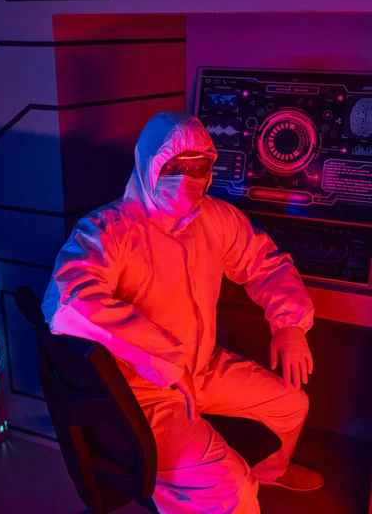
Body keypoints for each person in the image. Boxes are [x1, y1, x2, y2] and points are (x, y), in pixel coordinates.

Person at [43, 112, 324, 514]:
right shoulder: (109, 230)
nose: (187, 178)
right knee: (230, 488)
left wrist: (289, 323)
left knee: (293, 405)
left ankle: (270, 470)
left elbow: (265, 263)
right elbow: (71, 302)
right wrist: (165, 360)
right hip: (143, 390)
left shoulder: (215, 218)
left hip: (202, 366)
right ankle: (230, 489)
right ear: (149, 165)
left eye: (198, 167)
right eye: (175, 167)